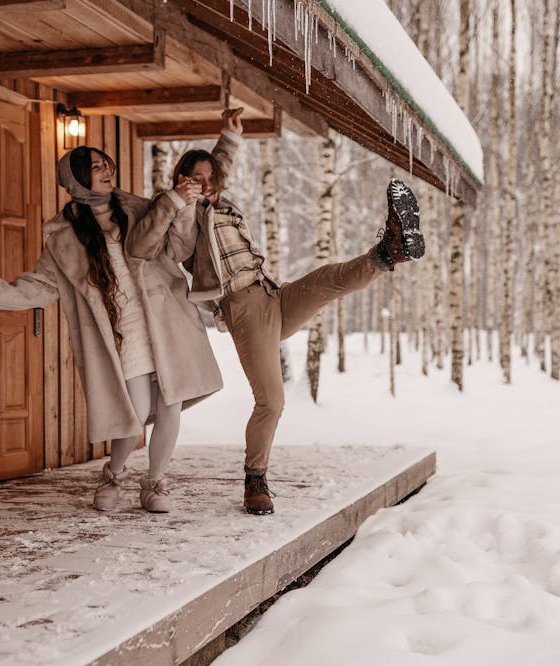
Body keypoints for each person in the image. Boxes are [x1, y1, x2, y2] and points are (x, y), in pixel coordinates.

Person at [129, 108, 425, 516]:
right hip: (242, 308)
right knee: (272, 400)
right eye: (194, 178)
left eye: (209, 177)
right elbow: (143, 247)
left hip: (271, 293)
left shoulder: (220, 201)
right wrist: (176, 200)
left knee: (327, 279)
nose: (205, 183)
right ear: (181, 181)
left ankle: (390, 250)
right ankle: (255, 480)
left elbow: (220, 165)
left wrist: (229, 136)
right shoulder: (184, 220)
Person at [0, 145, 222, 513]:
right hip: (121, 334)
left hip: (166, 323)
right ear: (76, 179)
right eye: (95, 167)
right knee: (136, 409)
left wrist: (183, 206)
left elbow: (178, 249)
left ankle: (155, 483)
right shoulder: (63, 238)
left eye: (106, 164)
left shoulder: (139, 208)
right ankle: (113, 473)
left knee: (170, 402)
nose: (105, 170)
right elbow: (38, 287)